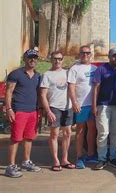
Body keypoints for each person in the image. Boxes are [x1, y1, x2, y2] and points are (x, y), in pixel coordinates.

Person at [4, 49, 42, 178]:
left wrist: (40, 110)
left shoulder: (38, 76)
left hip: (33, 111)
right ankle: (10, 166)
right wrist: (9, 109)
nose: (33, 60)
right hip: (19, 111)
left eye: (35, 58)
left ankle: (26, 161)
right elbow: (8, 92)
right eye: (30, 57)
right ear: (25, 59)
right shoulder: (16, 74)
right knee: (15, 138)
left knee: (29, 137)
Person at [40, 51, 75, 171]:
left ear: (62, 60)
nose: (57, 61)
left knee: (68, 133)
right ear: (51, 60)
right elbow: (43, 95)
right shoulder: (47, 75)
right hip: (54, 107)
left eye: (59, 59)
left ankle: (65, 159)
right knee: (54, 134)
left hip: (68, 106)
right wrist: (48, 111)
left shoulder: (68, 72)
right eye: (55, 59)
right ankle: (56, 160)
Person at [68, 45, 98, 169]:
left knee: (92, 129)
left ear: (91, 54)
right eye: (83, 53)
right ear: (79, 54)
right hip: (80, 105)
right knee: (80, 131)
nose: (85, 55)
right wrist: (74, 102)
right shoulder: (74, 68)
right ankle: (79, 157)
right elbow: (71, 87)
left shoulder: (95, 68)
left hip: (92, 105)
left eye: (87, 53)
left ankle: (90, 154)